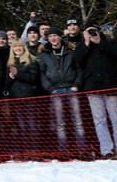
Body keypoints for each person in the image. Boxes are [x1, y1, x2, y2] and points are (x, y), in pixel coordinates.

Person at [74, 22, 117, 159]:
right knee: (99, 121)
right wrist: (86, 43)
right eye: (89, 31)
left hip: (111, 87)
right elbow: (76, 60)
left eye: (94, 30)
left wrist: (100, 43)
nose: (92, 33)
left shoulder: (109, 42)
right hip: (93, 88)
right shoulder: (83, 45)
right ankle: (107, 150)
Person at [38, 26, 86, 155]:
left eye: (55, 36)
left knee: (78, 121)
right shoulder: (44, 54)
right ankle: (63, 151)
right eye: (50, 36)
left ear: (60, 37)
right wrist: (50, 88)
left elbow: (79, 70)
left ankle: (82, 150)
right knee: (60, 123)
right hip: (56, 90)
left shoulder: (70, 51)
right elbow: (41, 74)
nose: (53, 38)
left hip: (71, 88)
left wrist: (76, 85)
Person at [5, 39, 40, 155]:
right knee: (22, 126)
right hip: (16, 99)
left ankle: (36, 150)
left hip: (29, 97)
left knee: (32, 125)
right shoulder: (9, 63)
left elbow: (33, 78)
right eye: (15, 47)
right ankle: (26, 150)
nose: (17, 49)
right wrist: (11, 77)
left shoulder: (31, 61)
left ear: (24, 48)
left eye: (20, 46)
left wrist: (18, 74)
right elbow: (6, 84)